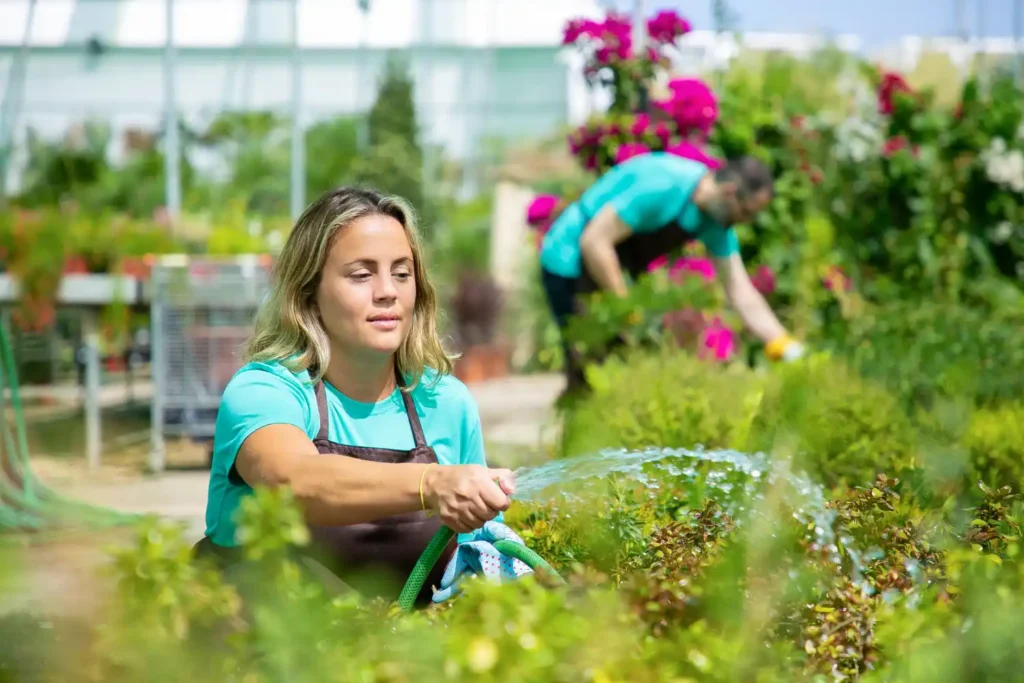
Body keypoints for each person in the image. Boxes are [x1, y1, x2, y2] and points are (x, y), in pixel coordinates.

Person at [194, 186, 516, 607]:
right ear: (309, 293)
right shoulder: (265, 391)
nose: (388, 291)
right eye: (361, 274)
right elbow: (293, 484)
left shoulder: (446, 404)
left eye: (402, 273)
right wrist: (432, 483)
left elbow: (472, 563)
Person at [538, 151, 805, 395]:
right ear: (729, 191)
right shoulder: (664, 186)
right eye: (746, 212)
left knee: (615, 367)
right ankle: (577, 439)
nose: (744, 222)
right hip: (568, 260)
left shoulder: (713, 220)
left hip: (607, 269)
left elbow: (739, 288)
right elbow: (594, 242)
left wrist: (782, 342)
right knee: (589, 364)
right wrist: (628, 309)